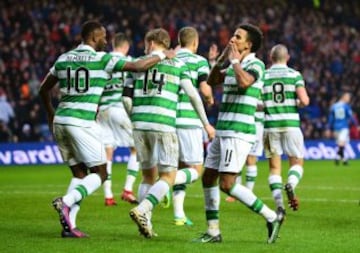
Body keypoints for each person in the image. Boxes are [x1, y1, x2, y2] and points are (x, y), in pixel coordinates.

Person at [39, 20, 174, 238]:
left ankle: (69, 225)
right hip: (81, 122)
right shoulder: (102, 58)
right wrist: (162, 55)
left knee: (80, 174)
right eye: (102, 36)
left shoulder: (63, 59)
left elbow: (43, 89)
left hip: (60, 121)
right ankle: (66, 201)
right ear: (93, 37)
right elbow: (138, 67)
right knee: (101, 173)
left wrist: (50, 113)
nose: (105, 40)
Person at [122, 28, 215, 238]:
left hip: (139, 125)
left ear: (154, 43)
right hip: (164, 124)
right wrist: (206, 123)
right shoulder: (177, 65)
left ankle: (147, 224)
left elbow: (126, 99)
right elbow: (193, 95)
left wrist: (134, 118)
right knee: (168, 176)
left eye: (147, 42)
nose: (145, 47)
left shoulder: (137, 64)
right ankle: (143, 209)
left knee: (147, 176)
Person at [194, 23, 281, 244]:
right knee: (208, 177)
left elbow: (244, 83)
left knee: (227, 184)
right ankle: (213, 232)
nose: (233, 39)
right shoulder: (235, 63)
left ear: (248, 44)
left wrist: (233, 62)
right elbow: (212, 81)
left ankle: (272, 217)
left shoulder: (256, 64)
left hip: (238, 132)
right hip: (223, 130)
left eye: (238, 37)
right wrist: (222, 58)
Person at [172, 26, 214, 226]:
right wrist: (210, 97)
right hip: (189, 122)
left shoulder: (169, 58)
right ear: (195, 43)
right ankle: (164, 183)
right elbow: (204, 89)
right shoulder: (199, 61)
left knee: (181, 166)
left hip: (169, 120)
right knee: (196, 169)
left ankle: (179, 215)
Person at [263, 44, 309, 216]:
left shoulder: (263, 76)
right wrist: (293, 103)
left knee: (274, 168)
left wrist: (270, 106)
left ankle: (280, 206)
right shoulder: (294, 75)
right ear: (287, 57)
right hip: (291, 125)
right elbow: (304, 101)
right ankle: (291, 183)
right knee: (297, 162)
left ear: (270, 57)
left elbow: (258, 104)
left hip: (270, 126)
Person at [97, 32, 140, 206]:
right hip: (119, 108)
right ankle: (128, 190)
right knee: (137, 148)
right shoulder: (129, 60)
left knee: (107, 153)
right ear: (126, 46)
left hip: (102, 111)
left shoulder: (104, 61)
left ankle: (108, 196)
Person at [225, 101, 264, 202]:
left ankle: (248, 192)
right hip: (241, 124)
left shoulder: (263, 87)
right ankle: (236, 192)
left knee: (251, 159)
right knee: (238, 158)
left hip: (257, 125)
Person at [326, 92, 357, 165]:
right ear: (343, 97)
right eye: (348, 97)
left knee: (342, 143)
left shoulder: (334, 106)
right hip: (344, 127)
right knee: (341, 144)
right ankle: (338, 157)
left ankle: (344, 160)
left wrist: (328, 128)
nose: (349, 99)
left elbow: (331, 118)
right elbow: (351, 116)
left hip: (335, 127)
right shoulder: (346, 106)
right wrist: (357, 125)